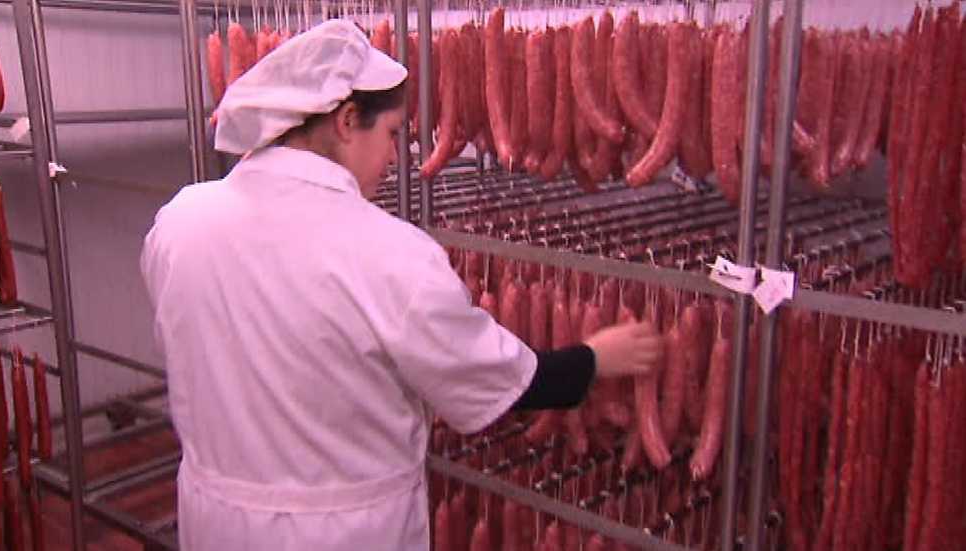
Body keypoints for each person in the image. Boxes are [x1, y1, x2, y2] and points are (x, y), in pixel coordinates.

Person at [141, 19, 663, 551]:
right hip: (342, 534)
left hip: (214, 520)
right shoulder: (390, 254)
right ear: (347, 121)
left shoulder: (180, 220)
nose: (394, 159)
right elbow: (492, 378)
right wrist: (594, 359)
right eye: (391, 133)